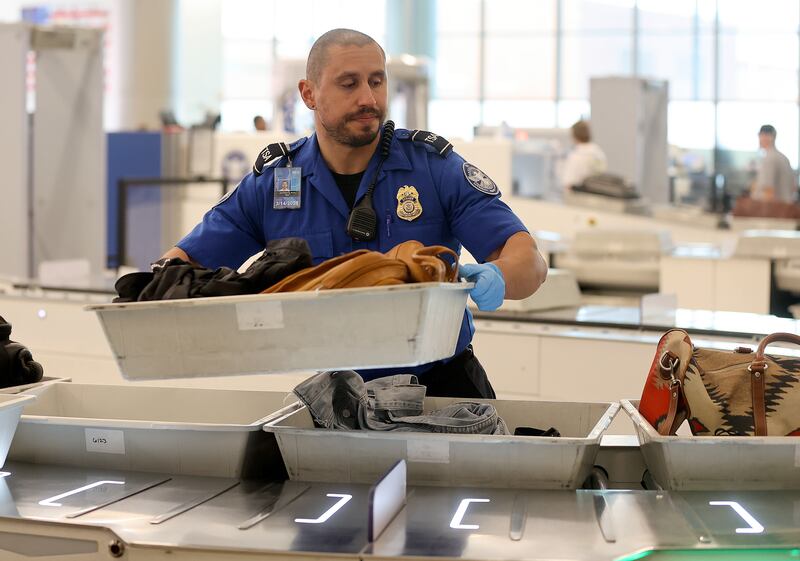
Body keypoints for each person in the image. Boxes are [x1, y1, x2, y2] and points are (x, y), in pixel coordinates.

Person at [160, 29, 547, 398]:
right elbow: (180, 266)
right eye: (349, 84)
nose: (368, 98)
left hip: (443, 389)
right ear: (309, 94)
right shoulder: (278, 183)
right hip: (339, 394)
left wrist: (498, 276)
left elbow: (527, 260)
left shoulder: (433, 168)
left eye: (376, 82)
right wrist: (151, 297)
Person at [751, 124, 796, 203]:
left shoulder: (769, 158)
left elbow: (768, 191)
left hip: (773, 210)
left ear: (768, 137)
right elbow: (793, 187)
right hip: (784, 208)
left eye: (760, 135)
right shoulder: (783, 158)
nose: (759, 139)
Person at [561, 120, 607, 193]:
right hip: (596, 194)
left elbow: (568, 184)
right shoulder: (598, 152)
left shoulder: (576, 156)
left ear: (574, 136)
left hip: (578, 197)